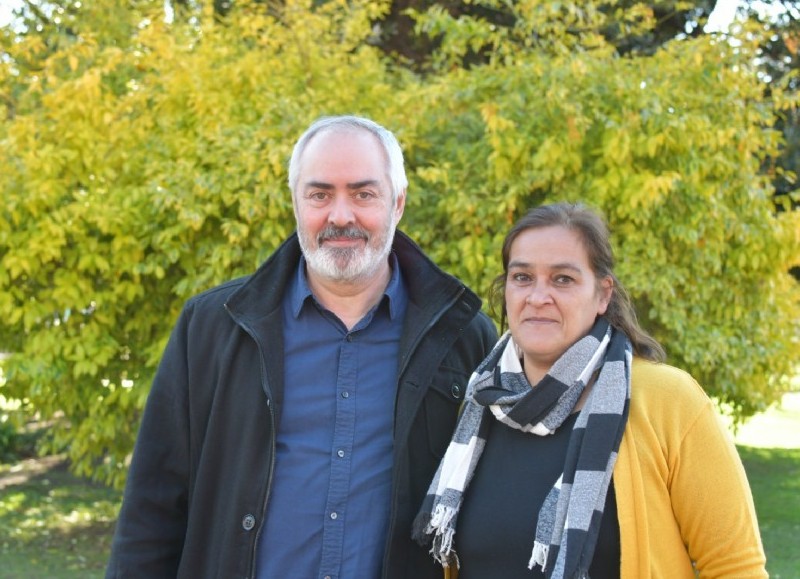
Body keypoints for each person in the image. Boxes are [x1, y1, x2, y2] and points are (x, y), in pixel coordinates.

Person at [105, 115, 498, 579]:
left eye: (363, 193)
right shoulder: (211, 327)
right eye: (319, 194)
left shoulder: (462, 336)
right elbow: (152, 507)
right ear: (296, 203)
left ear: (398, 203)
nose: (340, 215)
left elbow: (486, 511)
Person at [413, 202, 767, 578]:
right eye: (522, 277)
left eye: (563, 279)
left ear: (602, 294)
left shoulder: (668, 401)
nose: (537, 297)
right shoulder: (480, 402)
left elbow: (736, 566)